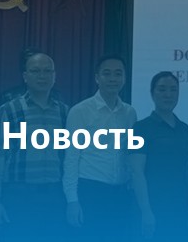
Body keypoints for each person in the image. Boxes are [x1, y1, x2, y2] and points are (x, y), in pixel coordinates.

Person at [0, 51, 69, 241]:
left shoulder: (64, 112)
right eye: (35, 71)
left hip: (56, 197)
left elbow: (68, 158)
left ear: (55, 76)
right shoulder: (8, 110)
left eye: (47, 71)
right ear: (25, 76)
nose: (42, 76)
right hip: (19, 197)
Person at [63, 55, 138, 241]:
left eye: (118, 74)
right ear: (97, 78)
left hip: (121, 194)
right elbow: (71, 159)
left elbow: (129, 155)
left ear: (124, 78)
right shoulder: (80, 111)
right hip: (91, 192)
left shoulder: (130, 112)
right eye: (107, 73)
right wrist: (72, 201)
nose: (113, 79)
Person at [131, 71, 188, 238]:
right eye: (162, 89)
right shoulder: (139, 128)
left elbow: (187, 172)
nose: (168, 94)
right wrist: (146, 212)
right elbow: (137, 172)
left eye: (173, 90)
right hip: (152, 208)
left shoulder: (184, 129)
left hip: (179, 210)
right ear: (152, 93)